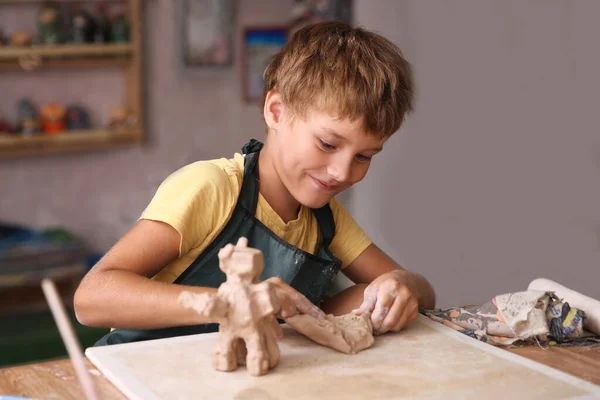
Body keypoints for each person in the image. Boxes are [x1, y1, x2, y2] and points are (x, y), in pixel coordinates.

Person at [74, 21, 436, 346]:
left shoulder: (325, 218)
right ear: (276, 111)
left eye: (364, 156)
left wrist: (405, 286)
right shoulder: (212, 188)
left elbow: (421, 294)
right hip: (141, 376)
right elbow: (91, 298)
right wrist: (229, 302)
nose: (342, 172)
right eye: (327, 144)